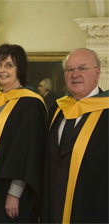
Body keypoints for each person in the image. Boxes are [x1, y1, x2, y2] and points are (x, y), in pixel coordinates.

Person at [0, 44, 47, 223]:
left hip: (7, 185)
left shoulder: (30, 104)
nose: (2, 70)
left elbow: (28, 152)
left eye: (9, 65)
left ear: (20, 69)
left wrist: (14, 193)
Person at [40, 48, 108, 223]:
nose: (75, 74)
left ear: (97, 73)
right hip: (53, 205)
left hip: (92, 208)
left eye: (82, 68)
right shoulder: (57, 109)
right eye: (69, 69)